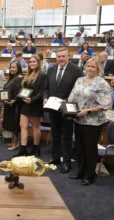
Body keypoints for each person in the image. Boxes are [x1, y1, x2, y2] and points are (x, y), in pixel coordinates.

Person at [68, 57, 112, 186]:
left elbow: (106, 104)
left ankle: (89, 175)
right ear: (85, 67)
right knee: (80, 148)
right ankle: (80, 171)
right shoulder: (79, 80)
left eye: (93, 66)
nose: (90, 68)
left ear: (98, 68)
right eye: (88, 66)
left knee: (90, 149)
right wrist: (69, 110)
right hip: (79, 119)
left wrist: (87, 111)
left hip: (93, 122)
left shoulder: (101, 83)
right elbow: (72, 97)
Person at [43, 47, 84, 173]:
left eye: (63, 56)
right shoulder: (51, 70)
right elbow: (46, 88)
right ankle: (55, 159)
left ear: (68, 57)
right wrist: (45, 98)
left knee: (66, 136)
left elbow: (79, 90)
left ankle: (66, 162)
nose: (61, 58)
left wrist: (68, 100)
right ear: (56, 57)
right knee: (55, 135)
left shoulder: (76, 70)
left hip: (67, 109)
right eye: (58, 56)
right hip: (53, 108)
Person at [14, 55, 46, 157]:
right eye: (30, 62)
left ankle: (36, 148)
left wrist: (32, 100)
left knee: (35, 127)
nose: (32, 63)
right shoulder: (27, 74)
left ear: (38, 62)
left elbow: (42, 92)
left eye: (34, 62)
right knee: (23, 126)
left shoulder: (42, 75)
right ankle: (23, 149)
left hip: (35, 105)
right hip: (25, 104)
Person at [3, 62, 23, 150]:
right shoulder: (13, 78)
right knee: (11, 124)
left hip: (15, 106)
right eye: (11, 67)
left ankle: (15, 143)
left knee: (15, 125)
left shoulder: (19, 78)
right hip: (9, 105)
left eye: (14, 67)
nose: (12, 69)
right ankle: (14, 142)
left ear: (18, 68)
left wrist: (12, 101)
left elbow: (19, 94)